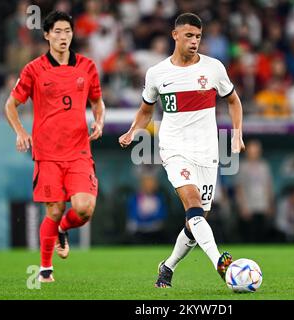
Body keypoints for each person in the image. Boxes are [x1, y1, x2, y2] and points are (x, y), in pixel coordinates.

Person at [119, 13, 245, 288]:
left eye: (198, 36)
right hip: (175, 148)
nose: (194, 41)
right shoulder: (157, 73)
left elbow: (234, 102)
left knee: (196, 221)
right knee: (192, 202)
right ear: (174, 35)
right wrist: (132, 132)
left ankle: (168, 266)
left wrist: (236, 134)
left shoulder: (213, 68)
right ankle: (221, 264)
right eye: (188, 35)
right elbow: (145, 111)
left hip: (208, 152)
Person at [4, 11, 105, 282]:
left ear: (73, 34)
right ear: (47, 34)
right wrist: (20, 132)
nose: (63, 36)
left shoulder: (87, 66)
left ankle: (63, 228)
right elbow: (11, 105)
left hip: (79, 151)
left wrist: (99, 121)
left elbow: (97, 101)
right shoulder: (34, 69)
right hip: (47, 154)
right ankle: (45, 270)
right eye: (57, 31)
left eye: (67, 31)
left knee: (83, 209)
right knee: (54, 209)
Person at [235, 139, 275, 243]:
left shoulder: (264, 166)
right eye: (251, 150)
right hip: (249, 206)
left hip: (262, 205)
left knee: (262, 235)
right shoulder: (242, 166)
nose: (254, 153)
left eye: (256, 150)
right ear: (247, 151)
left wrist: (270, 204)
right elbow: (239, 188)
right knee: (249, 235)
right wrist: (243, 207)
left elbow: (268, 185)